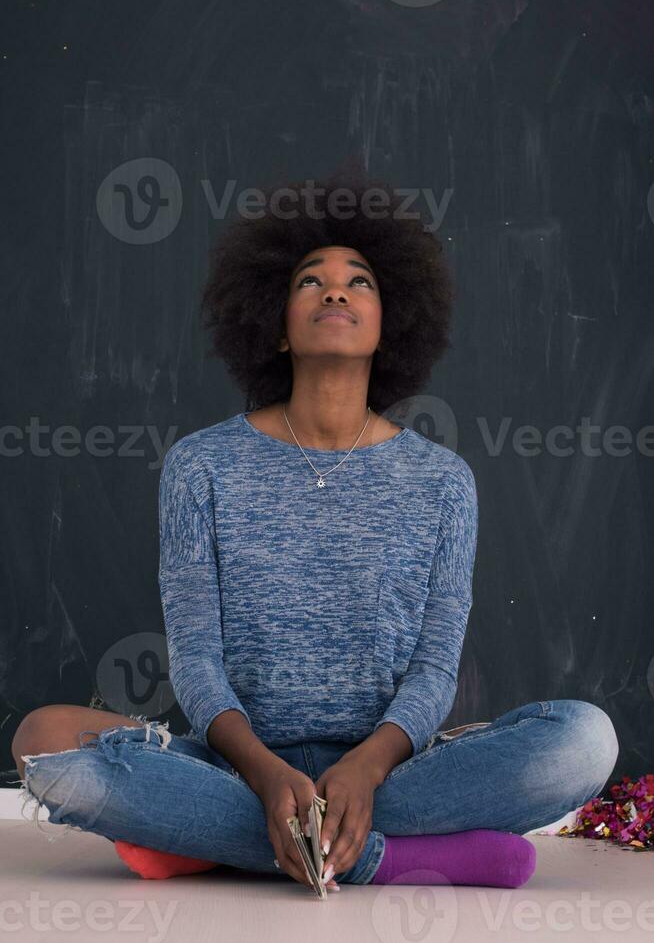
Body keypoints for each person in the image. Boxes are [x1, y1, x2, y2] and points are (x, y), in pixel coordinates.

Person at [13, 171, 619, 891]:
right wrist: (267, 777)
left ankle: (220, 840)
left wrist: (366, 766)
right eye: (311, 282)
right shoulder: (201, 465)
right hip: (240, 764)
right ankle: (384, 856)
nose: (336, 291)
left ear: (391, 321)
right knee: (40, 740)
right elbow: (198, 664)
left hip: (389, 769)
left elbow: (432, 673)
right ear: (274, 321)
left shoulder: (443, 481)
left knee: (583, 741)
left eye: (360, 282)